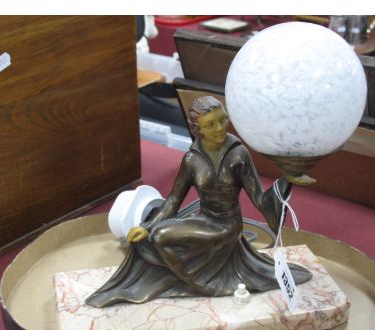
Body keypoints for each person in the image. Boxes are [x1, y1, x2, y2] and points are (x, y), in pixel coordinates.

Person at [86, 96, 311, 308]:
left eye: (223, 120)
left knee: (162, 236)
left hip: (228, 225)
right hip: (204, 219)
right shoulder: (192, 159)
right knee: (151, 236)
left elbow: (261, 199)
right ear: (198, 129)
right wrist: (146, 227)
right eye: (211, 124)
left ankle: (203, 284)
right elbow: (173, 200)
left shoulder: (238, 154)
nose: (221, 127)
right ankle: (191, 279)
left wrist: (286, 181)